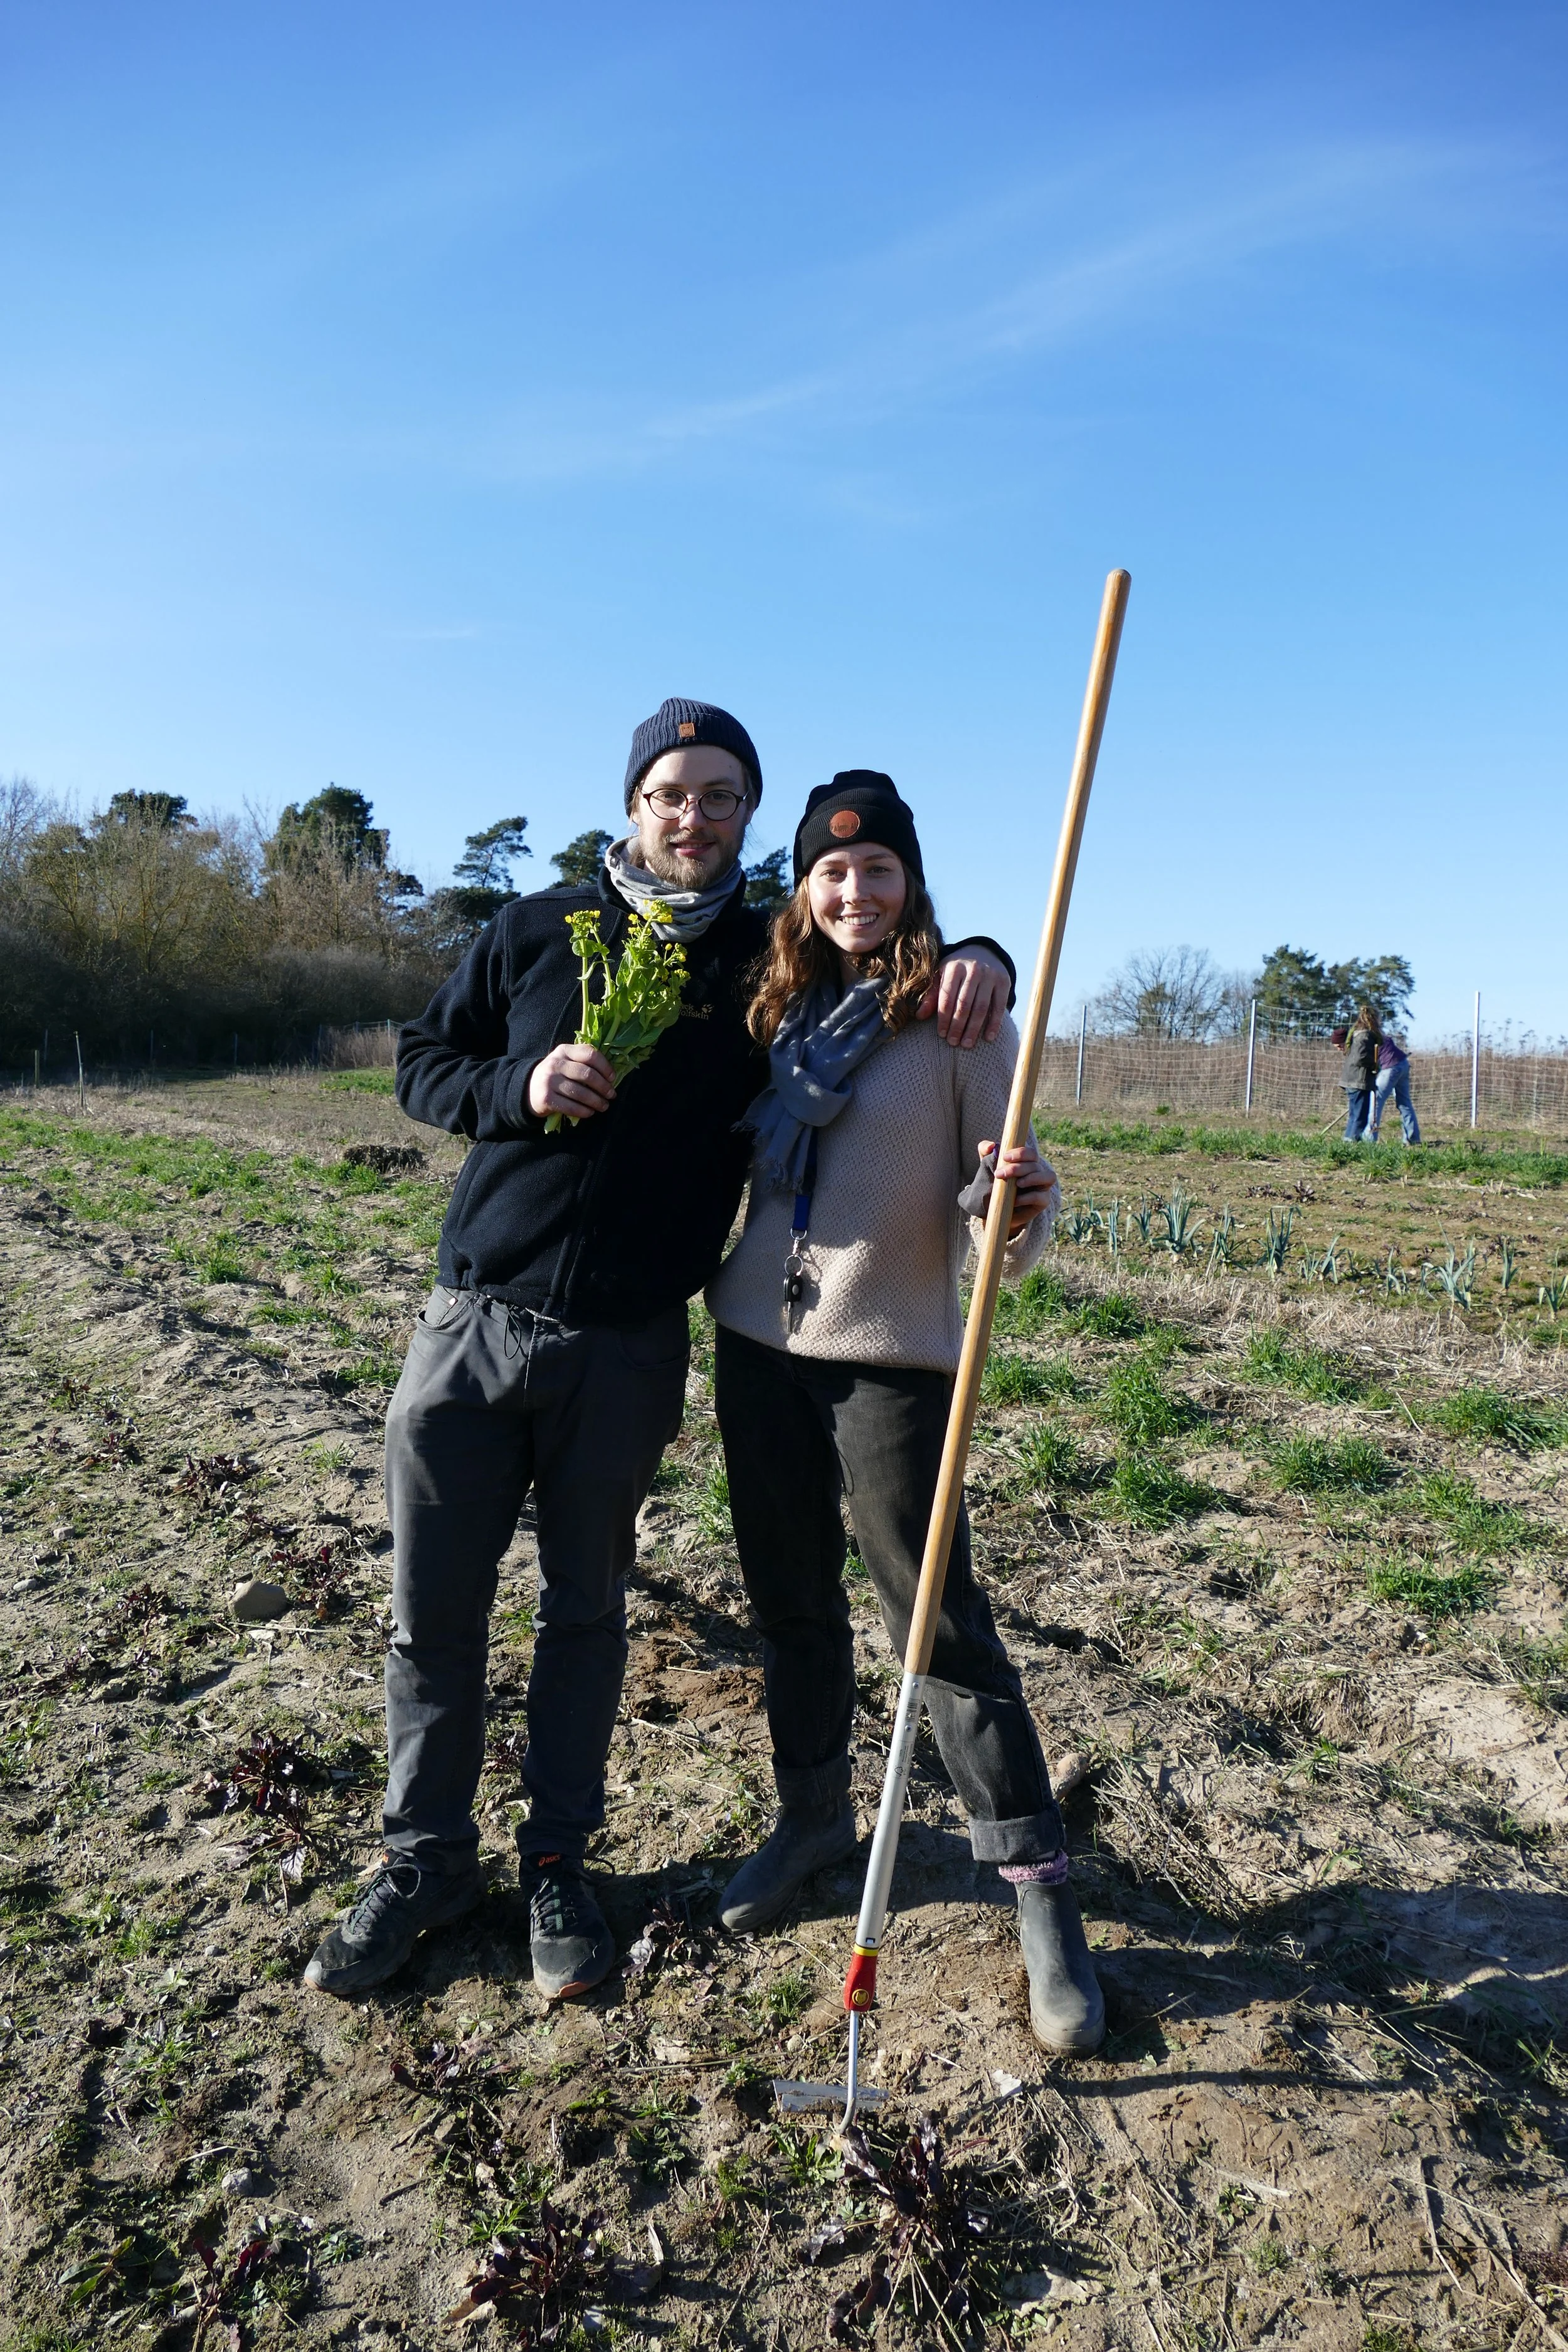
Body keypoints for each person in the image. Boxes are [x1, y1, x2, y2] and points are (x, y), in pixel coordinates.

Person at [302, 701, 1017, 2003]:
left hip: (628, 1342)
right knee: (432, 1615)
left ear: (748, 815)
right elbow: (420, 1061)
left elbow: (880, 948)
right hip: (473, 1321)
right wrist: (514, 1089)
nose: (694, 816)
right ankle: (424, 1859)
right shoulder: (536, 927)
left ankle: (558, 1862)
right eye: (671, 793)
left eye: (721, 796)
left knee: (584, 1611)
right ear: (633, 803)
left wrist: (982, 953)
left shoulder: (764, 961)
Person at [704, 771, 1104, 2056]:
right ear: (804, 889)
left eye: (877, 868)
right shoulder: (779, 1008)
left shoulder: (960, 1020)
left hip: (890, 1359)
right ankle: (813, 1818)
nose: (854, 891)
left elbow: (1003, 1220)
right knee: (787, 1597)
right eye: (831, 872)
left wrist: (1015, 1200)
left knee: (935, 1621)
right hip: (756, 1341)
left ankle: (1036, 1885)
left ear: (910, 882)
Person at [1369, 1030, 1421, 1145]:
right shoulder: (1378, 1033)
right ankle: (1413, 1139)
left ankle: (1369, 1141)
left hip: (1390, 1068)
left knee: (1375, 1102)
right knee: (1404, 1103)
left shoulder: (1365, 1037)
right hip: (1403, 1063)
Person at [1337, 1007, 1379, 1140]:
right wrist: (1374, 1063)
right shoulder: (1365, 1036)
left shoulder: (1356, 1034)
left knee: (1355, 1115)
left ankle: (1348, 1141)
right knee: (1360, 1117)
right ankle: (1352, 1143)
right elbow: (1360, 1058)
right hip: (1358, 1081)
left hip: (1354, 1080)